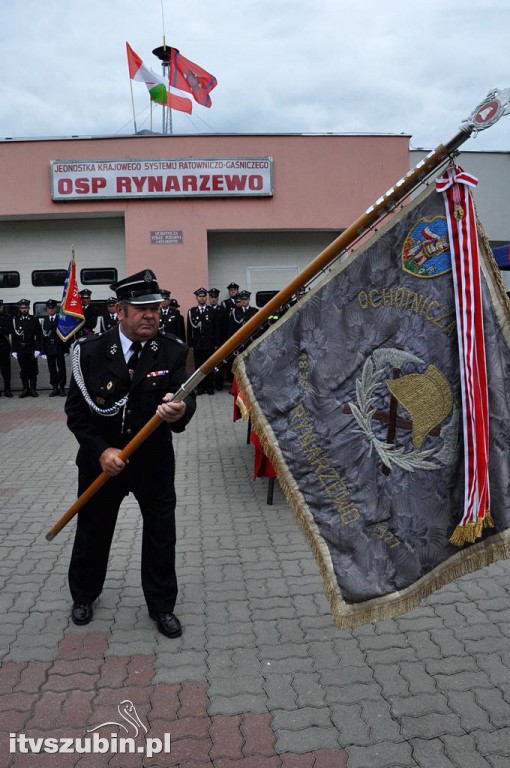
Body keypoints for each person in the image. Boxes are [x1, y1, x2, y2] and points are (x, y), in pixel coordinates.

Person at [65, 269, 196, 638]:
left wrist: (181, 410)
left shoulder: (173, 350)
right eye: (141, 309)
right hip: (102, 462)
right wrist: (101, 451)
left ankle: (162, 606)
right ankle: (84, 594)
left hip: (152, 461)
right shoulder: (89, 352)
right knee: (93, 528)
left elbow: (188, 397)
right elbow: (77, 414)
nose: (151, 315)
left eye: (156, 307)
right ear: (119, 311)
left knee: (160, 533)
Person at [186, 288, 217, 395]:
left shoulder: (212, 310)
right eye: (200, 296)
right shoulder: (192, 312)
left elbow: (216, 328)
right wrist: (190, 344)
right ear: (196, 298)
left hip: (209, 344)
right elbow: (189, 329)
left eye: (204, 296)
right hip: (197, 345)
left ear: (206, 298)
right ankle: (200, 387)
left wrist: (216, 343)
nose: (202, 298)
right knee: (198, 367)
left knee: (210, 366)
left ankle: (209, 387)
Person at [11, 299, 42, 397]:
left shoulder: (34, 319)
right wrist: (14, 350)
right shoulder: (15, 320)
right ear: (20, 309)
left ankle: (33, 389)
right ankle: (25, 389)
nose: (24, 309)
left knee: (33, 369)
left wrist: (38, 349)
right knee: (23, 370)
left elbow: (39, 335)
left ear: (29, 308)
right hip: (21, 348)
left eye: (25, 307)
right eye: (22, 308)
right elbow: (14, 337)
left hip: (31, 347)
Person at [40, 299, 69, 396]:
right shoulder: (44, 321)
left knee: (61, 368)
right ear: (47, 309)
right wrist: (43, 351)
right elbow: (42, 338)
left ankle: (61, 387)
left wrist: (66, 349)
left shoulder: (61, 319)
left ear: (56, 308)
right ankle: (55, 387)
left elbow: (65, 335)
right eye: (49, 308)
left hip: (59, 347)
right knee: (52, 368)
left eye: (52, 308)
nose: (51, 310)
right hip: (49, 348)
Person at [207, 288, 228, 390]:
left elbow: (226, 327)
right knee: (209, 363)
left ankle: (219, 384)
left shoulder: (223, 310)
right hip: (209, 342)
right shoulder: (206, 310)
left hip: (221, 341)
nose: (213, 299)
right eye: (211, 297)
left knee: (219, 363)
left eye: (215, 297)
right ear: (209, 298)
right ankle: (210, 384)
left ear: (218, 298)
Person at [0, 300, 13, 397]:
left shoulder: (7, 317)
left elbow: (9, 330)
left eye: (0, 307)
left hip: (4, 347)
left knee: (6, 371)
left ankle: (7, 390)